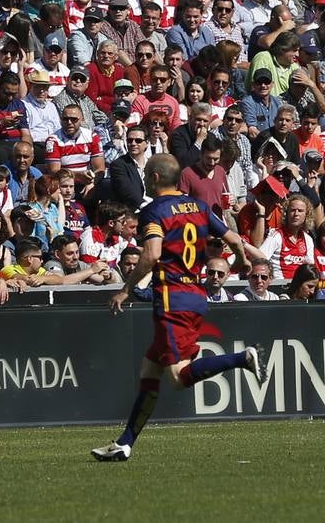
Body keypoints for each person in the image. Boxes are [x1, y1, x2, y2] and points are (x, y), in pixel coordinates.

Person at [90, 154, 270, 462]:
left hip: (172, 300)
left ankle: (243, 358)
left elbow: (151, 254)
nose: (145, 178)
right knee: (149, 369)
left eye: (147, 173)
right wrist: (239, 262)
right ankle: (125, 443)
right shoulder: (198, 207)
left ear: (156, 178)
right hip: (193, 294)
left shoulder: (153, 211)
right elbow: (233, 239)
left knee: (177, 376)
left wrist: (126, 289)